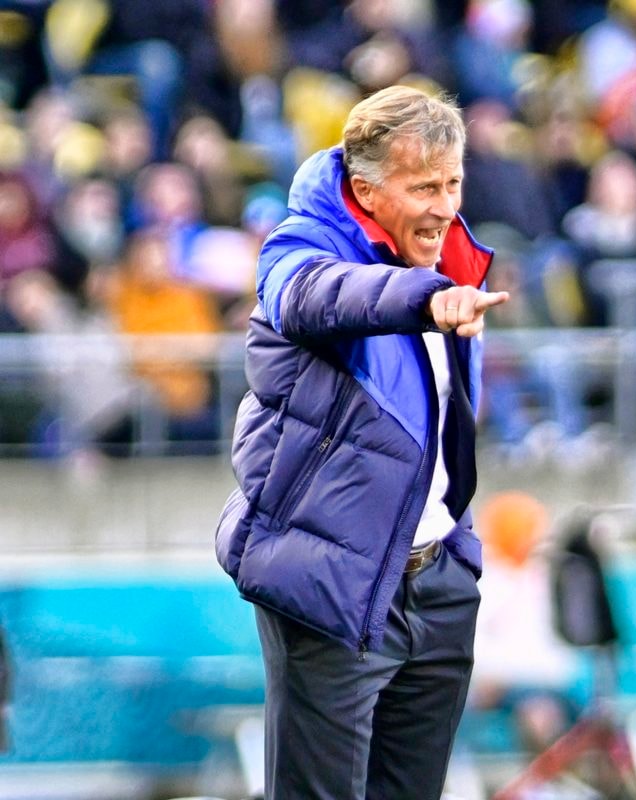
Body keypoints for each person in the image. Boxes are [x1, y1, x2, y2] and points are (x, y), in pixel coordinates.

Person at [214, 85, 509, 800]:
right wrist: (424, 298)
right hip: (334, 589)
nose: (445, 206)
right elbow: (327, 297)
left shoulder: (453, 258)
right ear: (368, 192)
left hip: (437, 584)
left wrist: (459, 552)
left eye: (453, 184)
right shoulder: (299, 248)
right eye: (424, 188)